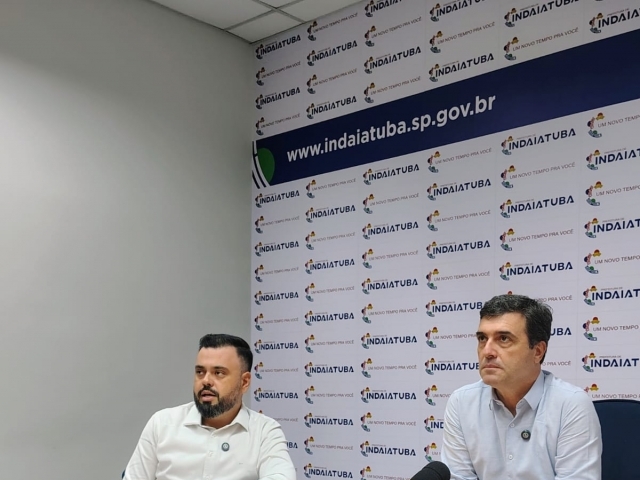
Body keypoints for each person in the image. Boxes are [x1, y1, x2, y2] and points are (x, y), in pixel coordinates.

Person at [441, 294, 602, 479]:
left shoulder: (570, 405)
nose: (487, 351)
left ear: (538, 351)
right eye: (482, 339)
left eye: (503, 339)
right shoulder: (462, 403)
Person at [123, 334, 296, 480]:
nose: (206, 381)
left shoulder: (265, 432)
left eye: (218, 373)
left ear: (244, 382)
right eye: (200, 372)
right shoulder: (162, 424)